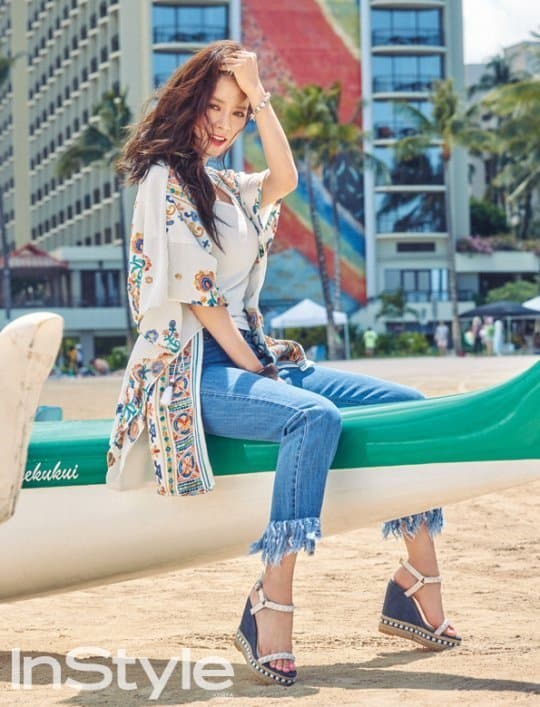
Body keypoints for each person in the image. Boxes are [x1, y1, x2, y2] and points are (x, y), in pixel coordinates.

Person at [107, 40, 459, 687]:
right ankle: (270, 598)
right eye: (214, 107)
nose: (224, 124)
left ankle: (416, 579)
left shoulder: (227, 186)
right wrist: (257, 367)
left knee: (406, 406)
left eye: (237, 113)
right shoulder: (164, 178)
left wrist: (261, 95)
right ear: (188, 103)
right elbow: (203, 299)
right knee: (312, 417)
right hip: (195, 365)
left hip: (253, 354)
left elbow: (286, 180)